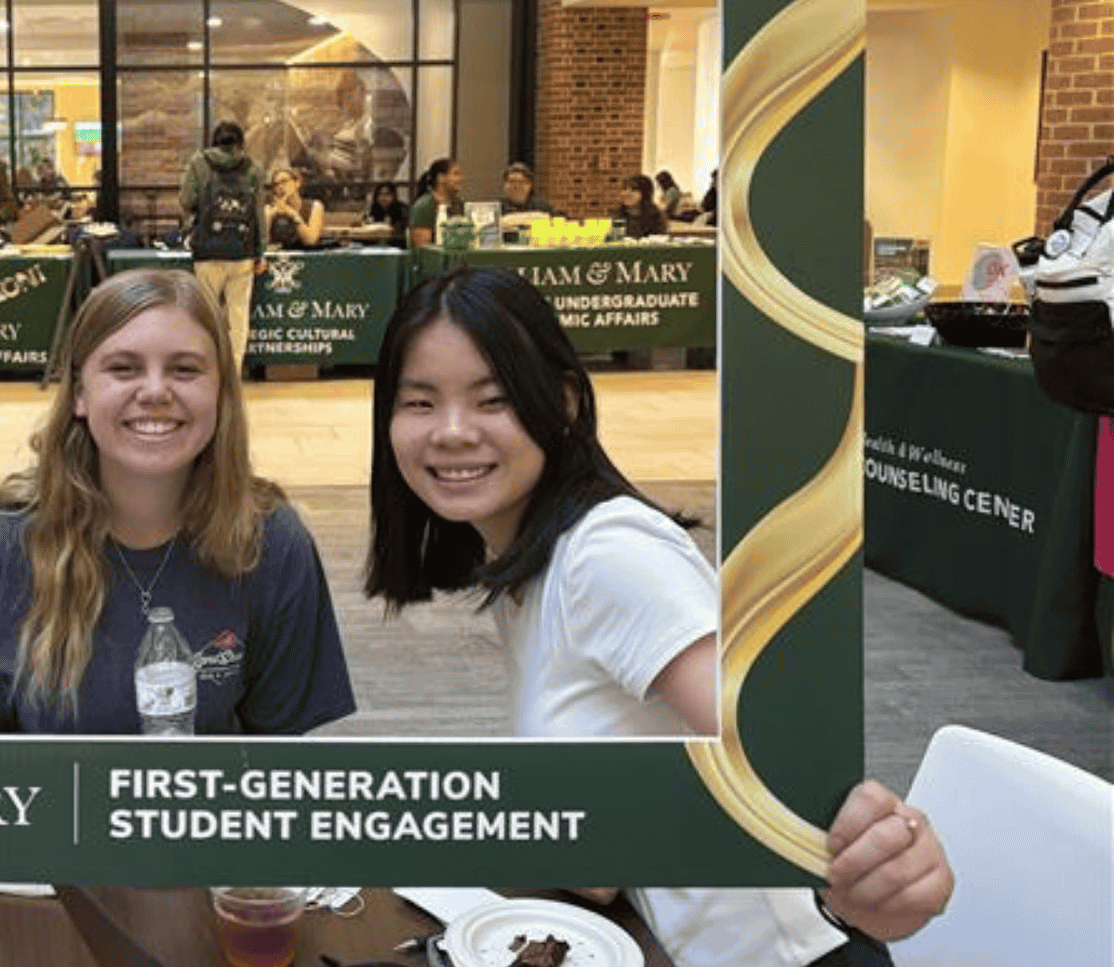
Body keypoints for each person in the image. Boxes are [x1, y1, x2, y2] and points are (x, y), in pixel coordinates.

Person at [363, 268, 955, 967]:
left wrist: (888, 864)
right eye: (420, 402)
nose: (452, 431)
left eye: (493, 399)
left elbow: (783, 774)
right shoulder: (532, 559)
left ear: (565, 404)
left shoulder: (608, 556)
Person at [0, 268, 354, 734]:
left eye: (185, 370)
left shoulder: (272, 544)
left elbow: (278, 768)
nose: (154, 392)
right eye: (123, 368)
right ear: (80, 394)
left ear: (221, 393)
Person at [178, 121, 266, 372]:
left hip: (208, 250)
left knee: (206, 314)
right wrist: (261, 251)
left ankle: (205, 370)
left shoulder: (199, 162)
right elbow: (259, 214)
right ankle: (233, 374)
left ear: (214, 141)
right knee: (238, 316)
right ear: (241, 142)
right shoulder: (252, 169)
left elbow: (186, 199)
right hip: (242, 253)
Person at [408, 156, 467, 248]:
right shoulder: (424, 206)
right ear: (441, 178)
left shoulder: (459, 204)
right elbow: (422, 247)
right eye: (456, 174)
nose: (461, 179)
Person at [264, 167, 325, 250]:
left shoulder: (315, 206)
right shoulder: (269, 209)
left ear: (297, 183)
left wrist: (293, 214)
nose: (280, 187)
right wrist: (270, 216)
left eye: (284, 182)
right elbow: (260, 242)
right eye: (276, 184)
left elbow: (311, 240)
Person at [616, 173, 668, 238]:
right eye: (624, 189)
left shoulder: (655, 216)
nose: (627, 193)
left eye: (634, 189)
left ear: (645, 193)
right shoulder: (617, 214)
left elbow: (660, 242)